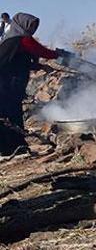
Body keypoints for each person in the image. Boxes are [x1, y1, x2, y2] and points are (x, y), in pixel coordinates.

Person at [0, 13, 59, 154]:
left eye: (35, 26)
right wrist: (59, 54)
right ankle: (14, 147)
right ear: (22, 25)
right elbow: (42, 51)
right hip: (6, 85)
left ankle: (10, 147)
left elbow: (18, 62)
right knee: (11, 114)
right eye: (31, 25)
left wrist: (40, 67)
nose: (33, 29)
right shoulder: (21, 39)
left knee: (8, 114)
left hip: (9, 83)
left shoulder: (13, 40)